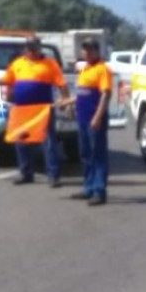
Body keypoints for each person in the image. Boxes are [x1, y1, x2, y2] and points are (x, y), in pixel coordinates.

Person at [0, 36, 70, 187]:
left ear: (39, 48)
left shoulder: (50, 64)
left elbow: (62, 84)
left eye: (34, 48)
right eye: (28, 48)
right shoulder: (18, 63)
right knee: (21, 142)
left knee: (48, 142)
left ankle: (53, 175)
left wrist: (66, 102)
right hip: (21, 110)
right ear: (25, 49)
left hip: (42, 110)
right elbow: (6, 79)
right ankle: (26, 173)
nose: (31, 51)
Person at [57, 40, 112, 205]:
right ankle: (88, 187)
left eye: (90, 50)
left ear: (97, 51)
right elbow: (82, 94)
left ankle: (99, 190)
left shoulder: (102, 69)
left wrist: (97, 117)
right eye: (85, 50)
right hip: (82, 118)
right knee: (86, 154)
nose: (87, 53)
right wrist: (68, 102)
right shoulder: (85, 69)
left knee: (98, 155)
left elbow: (105, 95)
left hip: (94, 118)